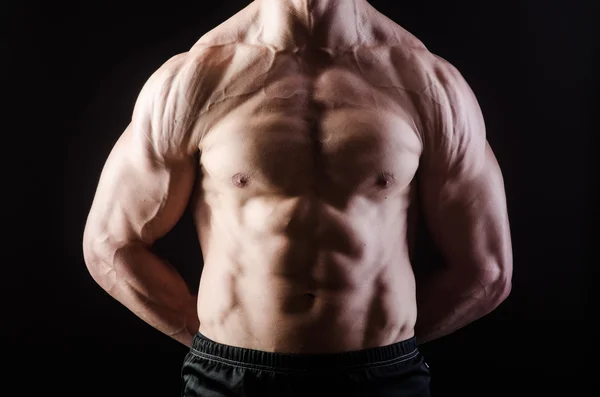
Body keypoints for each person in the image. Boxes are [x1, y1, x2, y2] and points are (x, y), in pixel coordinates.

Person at [82, 0, 513, 395]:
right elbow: (111, 245)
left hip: (382, 378)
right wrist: (213, 337)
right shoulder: (197, 78)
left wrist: (389, 343)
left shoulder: (425, 82)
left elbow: (488, 271)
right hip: (231, 378)